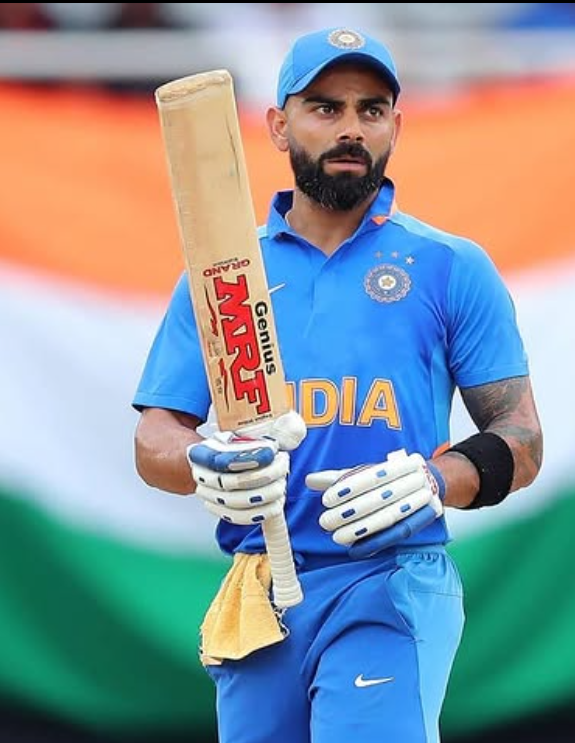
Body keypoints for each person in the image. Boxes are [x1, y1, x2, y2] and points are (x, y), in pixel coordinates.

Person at [132, 26, 543, 743]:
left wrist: (435, 480)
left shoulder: (448, 265)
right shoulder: (225, 274)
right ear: (277, 125)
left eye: (371, 109)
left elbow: (522, 438)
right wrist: (202, 462)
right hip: (262, 587)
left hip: (390, 581)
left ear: (395, 127)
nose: (351, 128)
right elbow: (154, 435)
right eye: (325, 108)